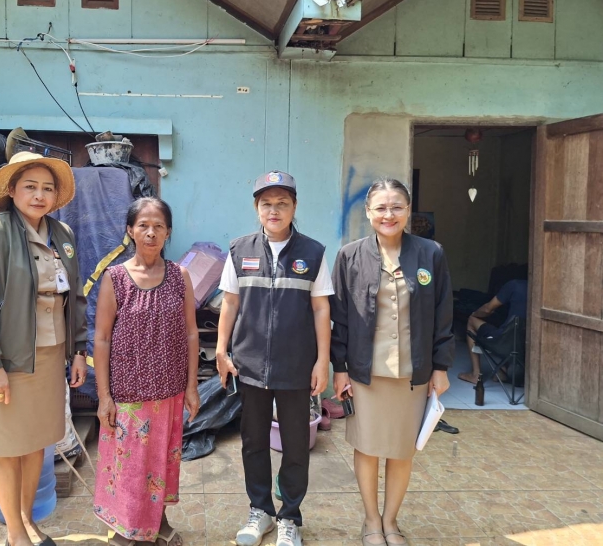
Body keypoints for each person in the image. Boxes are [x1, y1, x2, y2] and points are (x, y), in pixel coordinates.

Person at [0, 151, 88, 546]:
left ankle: (29, 521)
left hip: (50, 356)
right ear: (12, 190)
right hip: (7, 358)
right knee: (6, 446)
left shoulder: (62, 234)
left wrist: (78, 351)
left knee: (37, 443)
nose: (39, 195)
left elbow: (75, 297)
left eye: (47, 188)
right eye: (30, 186)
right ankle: (15, 533)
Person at [330, 177, 454, 546]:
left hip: (412, 373)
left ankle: (391, 521)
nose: (389, 214)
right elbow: (340, 318)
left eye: (397, 207)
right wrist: (340, 368)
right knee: (367, 447)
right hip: (365, 372)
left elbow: (443, 313)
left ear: (408, 211)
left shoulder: (430, 253)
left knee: (402, 451)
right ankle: (371, 521)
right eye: (381, 208)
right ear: (368, 212)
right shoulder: (350, 256)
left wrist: (441, 367)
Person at [216, 171, 333, 546]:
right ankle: (261, 511)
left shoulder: (313, 253)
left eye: (282, 203)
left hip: (297, 367)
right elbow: (230, 303)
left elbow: (321, 309)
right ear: (257, 208)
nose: (274, 210)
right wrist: (221, 350)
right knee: (253, 442)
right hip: (249, 366)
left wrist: (322, 361)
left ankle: (290, 517)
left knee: (296, 445)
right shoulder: (239, 250)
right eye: (266, 203)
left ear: (294, 207)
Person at [93, 197, 200, 546]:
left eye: (158, 226)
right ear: (130, 230)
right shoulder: (116, 278)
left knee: (162, 461)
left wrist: (192, 387)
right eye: (143, 225)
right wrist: (104, 397)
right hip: (128, 393)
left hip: (169, 390)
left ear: (168, 232)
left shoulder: (179, 276)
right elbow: (102, 338)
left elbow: (191, 333)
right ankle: (126, 527)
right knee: (129, 465)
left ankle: (159, 520)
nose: (151, 233)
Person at [458, 279, 527, 385]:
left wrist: (474, 313)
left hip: (504, 342)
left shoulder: (515, 285)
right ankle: (502, 370)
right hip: (525, 345)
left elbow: (487, 309)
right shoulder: (543, 293)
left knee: (472, 320)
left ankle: (476, 374)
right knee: (514, 333)